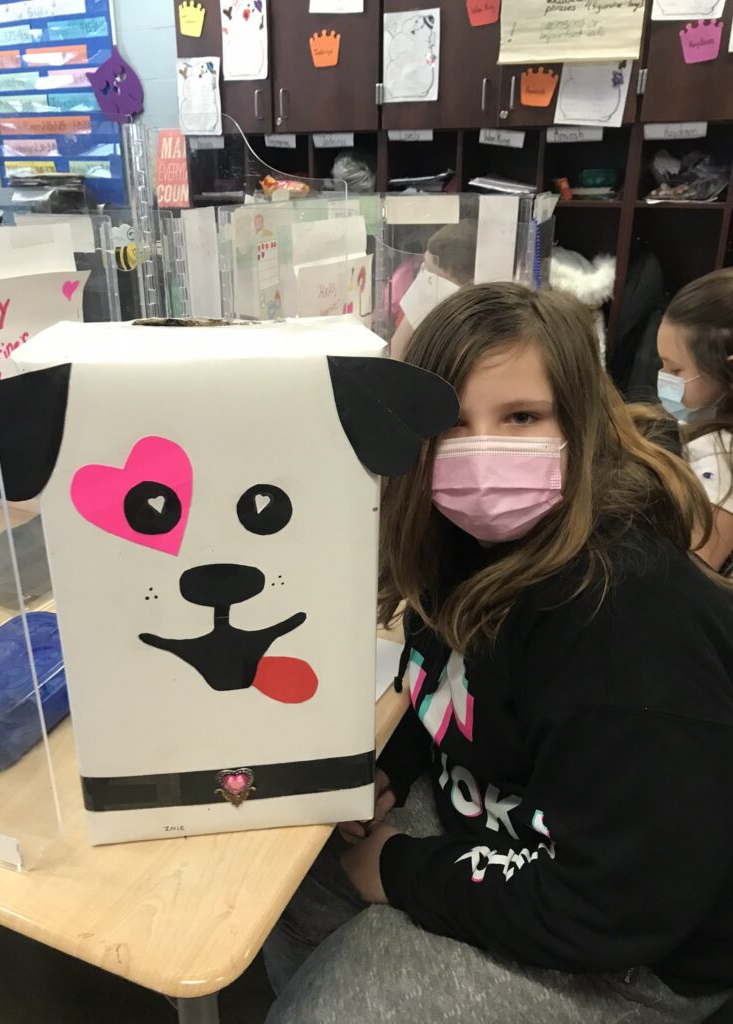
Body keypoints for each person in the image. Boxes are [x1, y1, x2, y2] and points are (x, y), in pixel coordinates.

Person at [264, 284, 733, 1024]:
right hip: (512, 823)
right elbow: (456, 684)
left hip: (637, 947)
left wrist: (398, 871)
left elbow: (614, 904)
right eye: (450, 424)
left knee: (328, 1010)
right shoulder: (468, 544)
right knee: (290, 883)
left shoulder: (628, 621)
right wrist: (398, 769)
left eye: (522, 417)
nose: (483, 453)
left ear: (582, 423)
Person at [657, 268, 733, 573]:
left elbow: (696, 573)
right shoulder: (706, 419)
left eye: (675, 371)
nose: (662, 378)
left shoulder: (721, 464)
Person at [390, 219, 478, 359]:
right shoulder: (419, 305)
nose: (423, 274)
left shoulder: (469, 332)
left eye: (431, 274)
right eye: (423, 265)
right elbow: (396, 355)